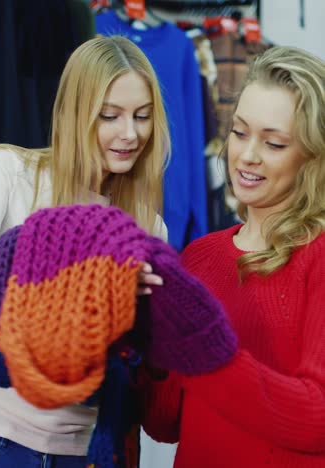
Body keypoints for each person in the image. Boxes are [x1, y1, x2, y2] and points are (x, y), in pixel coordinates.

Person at [0, 35, 173, 467]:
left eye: (142, 117)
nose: (129, 134)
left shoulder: (147, 225)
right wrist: (81, 255)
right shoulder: (6, 170)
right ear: (73, 113)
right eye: (109, 116)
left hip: (77, 448)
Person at [141, 45, 325, 467]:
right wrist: (149, 337)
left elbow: (317, 418)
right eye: (239, 132)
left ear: (313, 157)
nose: (247, 155)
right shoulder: (200, 256)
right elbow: (165, 421)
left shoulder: (319, 256)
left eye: (274, 143)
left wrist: (206, 349)